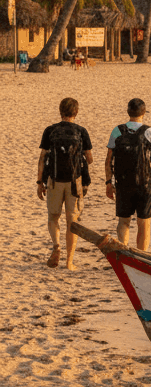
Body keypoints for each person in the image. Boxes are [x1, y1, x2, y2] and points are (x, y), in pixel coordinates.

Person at [37, 97, 94, 270]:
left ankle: (56, 246)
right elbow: (89, 159)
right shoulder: (81, 131)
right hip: (74, 182)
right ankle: (69, 262)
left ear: (60, 111)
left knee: (53, 217)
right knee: (72, 220)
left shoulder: (50, 130)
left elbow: (42, 158)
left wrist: (40, 182)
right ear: (76, 112)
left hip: (54, 181)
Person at [105, 98, 151, 251]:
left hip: (123, 182)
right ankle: (141, 255)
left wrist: (108, 183)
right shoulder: (150, 131)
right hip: (145, 183)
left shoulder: (117, 130)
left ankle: (123, 250)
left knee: (123, 221)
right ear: (143, 113)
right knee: (143, 223)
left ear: (128, 112)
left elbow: (109, 159)